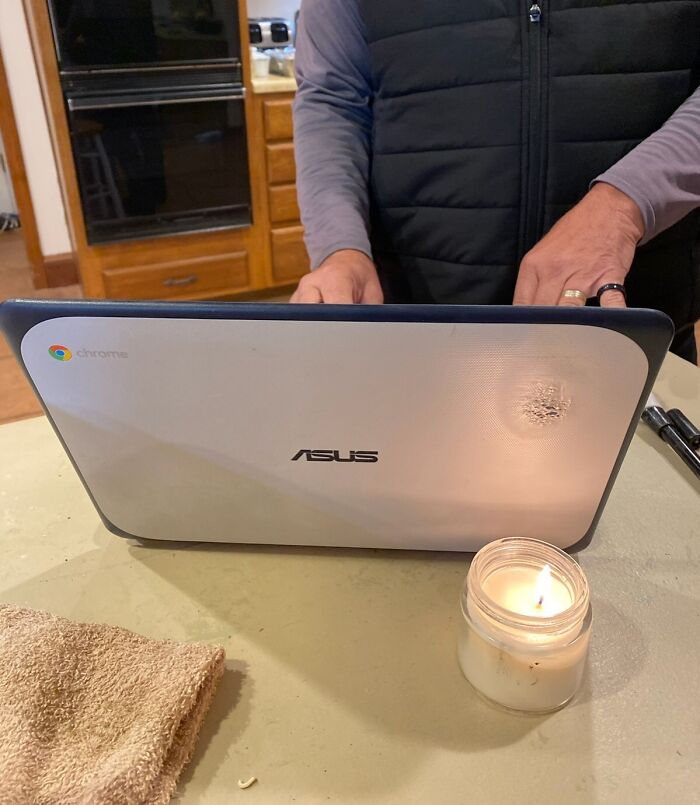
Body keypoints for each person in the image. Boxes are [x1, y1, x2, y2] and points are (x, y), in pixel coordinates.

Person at [290, 0, 700, 362]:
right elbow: (332, 100)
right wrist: (339, 247)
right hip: (414, 328)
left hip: (633, 330)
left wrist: (623, 209)